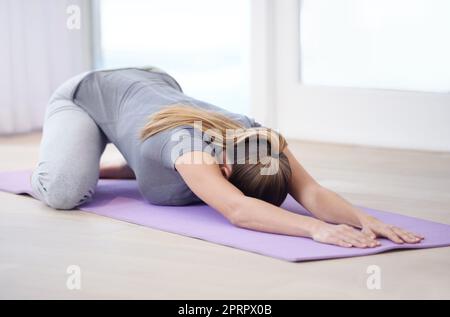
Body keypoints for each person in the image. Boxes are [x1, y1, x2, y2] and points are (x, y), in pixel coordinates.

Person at [31, 67, 424, 248]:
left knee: (162, 168)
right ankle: (55, 165)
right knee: (66, 192)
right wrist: (313, 230)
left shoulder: (260, 139)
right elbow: (238, 210)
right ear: (223, 168)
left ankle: (131, 161)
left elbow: (313, 192)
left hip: (153, 84)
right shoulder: (189, 148)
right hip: (86, 93)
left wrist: (364, 219)